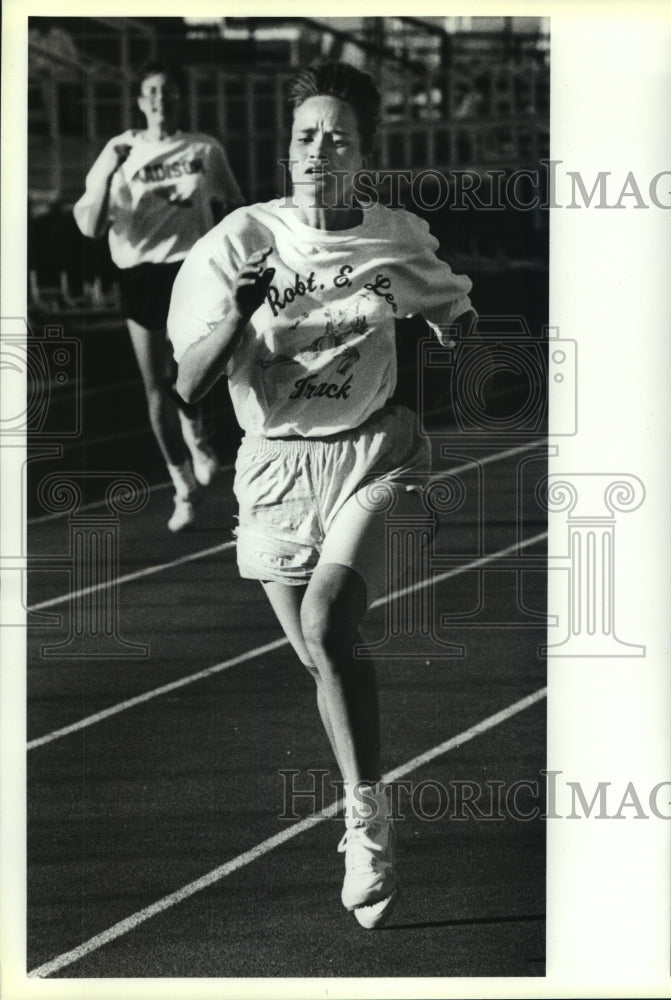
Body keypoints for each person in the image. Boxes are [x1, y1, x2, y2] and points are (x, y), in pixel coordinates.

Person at [168, 61, 476, 929]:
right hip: (273, 469)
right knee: (322, 661)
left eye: (338, 137)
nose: (319, 150)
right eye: (306, 136)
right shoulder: (234, 240)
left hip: (375, 450)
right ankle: (364, 793)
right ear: (287, 150)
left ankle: (366, 826)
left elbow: (455, 313)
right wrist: (237, 310)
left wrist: (461, 340)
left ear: (364, 153)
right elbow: (189, 382)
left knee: (328, 626)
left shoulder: (394, 238)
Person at [73, 60, 244, 531]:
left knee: (196, 365)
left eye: (169, 91)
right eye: (151, 91)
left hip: (192, 269)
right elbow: (90, 224)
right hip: (140, 275)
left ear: (180, 98)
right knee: (156, 384)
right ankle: (183, 484)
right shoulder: (119, 149)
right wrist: (108, 170)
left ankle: (201, 437)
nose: (160, 100)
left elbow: (235, 206)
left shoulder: (204, 148)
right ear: (139, 100)